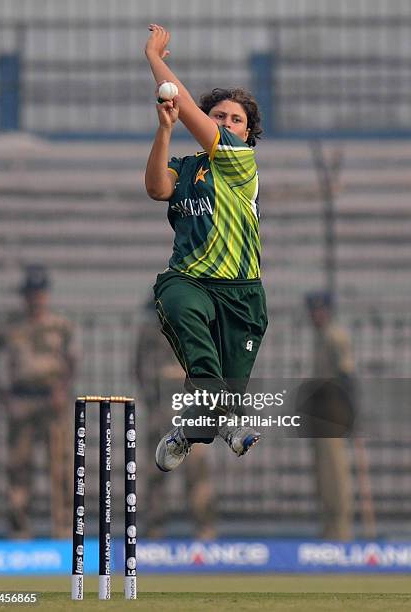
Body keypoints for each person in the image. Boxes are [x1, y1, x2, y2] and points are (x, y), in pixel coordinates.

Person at [144, 24, 268, 472]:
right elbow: (158, 189)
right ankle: (229, 422)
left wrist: (155, 58)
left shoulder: (240, 163)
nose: (225, 123)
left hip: (243, 293)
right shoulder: (189, 166)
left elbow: (190, 109)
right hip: (189, 281)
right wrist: (164, 129)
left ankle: (186, 434)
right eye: (219, 116)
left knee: (221, 394)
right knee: (205, 367)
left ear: (247, 133)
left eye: (235, 119)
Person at [0, 265, 77, 538]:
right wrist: (2, 393)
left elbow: (72, 362)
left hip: (52, 401)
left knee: (60, 466)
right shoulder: (11, 325)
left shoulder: (60, 325)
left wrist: (62, 390)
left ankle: (63, 528)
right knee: (19, 466)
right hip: (21, 401)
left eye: (40, 292)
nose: (36, 298)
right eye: (31, 293)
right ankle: (20, 529)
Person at [135, 299, 216, 539]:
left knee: (197, 473)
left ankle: (205, 529)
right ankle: (154, 529)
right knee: (156, 473)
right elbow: (139, 369)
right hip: (161, 412)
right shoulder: (149, 333)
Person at [304, 291, 355, 540]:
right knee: (323, 475)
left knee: (336, 475)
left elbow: (347, 377)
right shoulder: (321, 337)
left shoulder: (336, 336)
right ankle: (329, 528)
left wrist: (351, 414)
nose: (315, 315)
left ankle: (341, 530)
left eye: (319, 309)